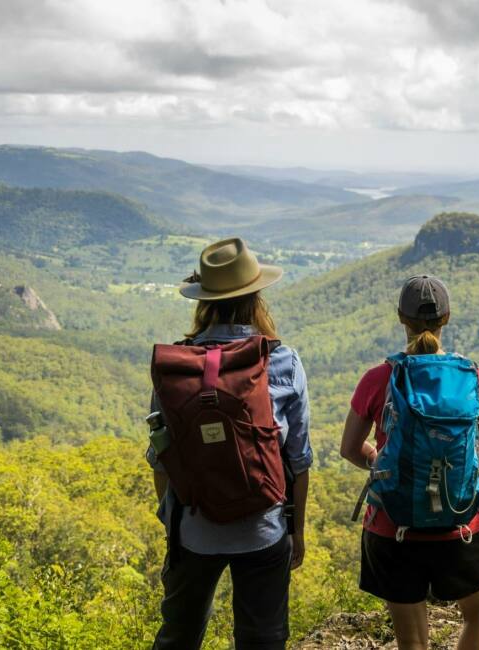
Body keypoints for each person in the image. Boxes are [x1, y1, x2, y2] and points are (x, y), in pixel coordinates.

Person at [146, 238, 313, 650]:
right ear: (255, 297)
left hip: (193, 527)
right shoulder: (283, 360)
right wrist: (297, 530)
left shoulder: (175, 366)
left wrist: (175, 525)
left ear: (203, 302)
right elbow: (299, 459)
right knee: (263, 639)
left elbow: (161, 458)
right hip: (263, 526)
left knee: (178, 637)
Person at [340, 275, 479, 650]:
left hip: (393, 526)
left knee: (412, 640)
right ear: (446, 318)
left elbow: (350, 448)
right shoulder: (472, 377)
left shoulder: (379, 378)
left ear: (402, 318)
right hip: (460, 523)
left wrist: (385, 463)